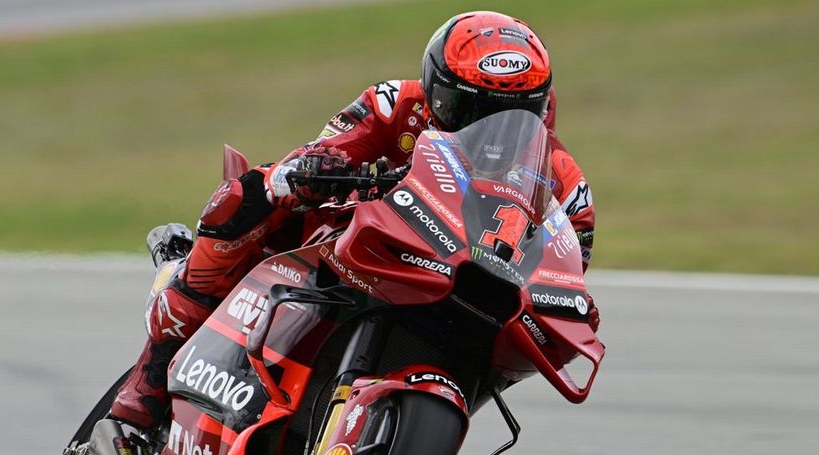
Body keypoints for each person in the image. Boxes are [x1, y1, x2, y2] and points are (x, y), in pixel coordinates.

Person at [109, 10, 598, 430]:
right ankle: (145, 389)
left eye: (515, 113)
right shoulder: (394, 106)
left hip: (461, 292)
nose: (489, 131)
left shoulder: (564, 184)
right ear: (436, 92)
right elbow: (321, 153)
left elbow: (566, 268)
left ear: (543, 107)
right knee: (247, 197)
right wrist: (309, 172)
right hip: (358, 246)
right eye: (470, 108)